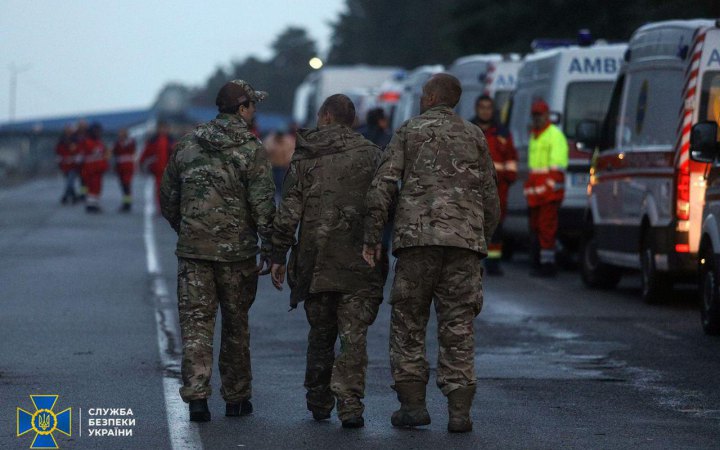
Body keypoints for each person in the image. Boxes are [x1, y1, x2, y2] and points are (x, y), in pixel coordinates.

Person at [363, 73, 500, 433]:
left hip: (417, 243)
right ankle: (459, 412)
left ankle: (412, 406)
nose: (422, 98)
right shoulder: (474, 135)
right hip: (463, 246)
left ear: (433, 96)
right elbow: (490, 197)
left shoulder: (409, 131)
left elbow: (383, 185)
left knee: (408, 322)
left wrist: (373, 235)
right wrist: (479, 238)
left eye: (425, 93)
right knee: (458, 325)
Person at [159, 79, 275, 422]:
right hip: (237, 255)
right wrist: (271, 248)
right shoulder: (251, 149)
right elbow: (264, 206)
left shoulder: (187, 144)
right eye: (252, 105)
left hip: (194, 253)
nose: (255, 111)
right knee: (236, 325)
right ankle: (237, 398)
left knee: (196, 325)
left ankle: (197, 398)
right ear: (241, 109)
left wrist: (188, 230)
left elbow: (168, 198)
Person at [269, 94, 386, 429]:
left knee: (321, 333)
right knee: (354, 336)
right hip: (360, 263)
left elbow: (289, 211)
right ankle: (350, 404)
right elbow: (386, 204)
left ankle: (319, 399)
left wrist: (277, 255)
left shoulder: (306, 157)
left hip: (315, 262)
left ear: (325, 117)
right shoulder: (373, 155)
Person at [470, 95, 518, 275]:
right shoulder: (468, 129)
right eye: (482, 107)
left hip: (498, 189)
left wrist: (509, 177)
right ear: (477, 108)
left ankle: (494, 263)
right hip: (472, 188)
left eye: (488, 107)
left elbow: (511, 159)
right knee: (473, 226)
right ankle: (473, 262)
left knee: (496, 227)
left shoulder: (503, 133)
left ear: (493, 110)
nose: (485, 111)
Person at [523, 99, 568, 277]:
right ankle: (541, 262)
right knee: (537, 228)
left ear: (547, 115)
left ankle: (548, 265)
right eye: (534, 115)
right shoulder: (535, 136)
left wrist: (546, 188)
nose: (537, 118)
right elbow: (534, 169)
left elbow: (557, 168)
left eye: (540, 115)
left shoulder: (554, 135)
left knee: (546, 228)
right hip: (537, 193)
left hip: (548, 193)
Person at [140, 121, 175, 204]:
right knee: (159, 188)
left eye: (164, 128)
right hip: (157, 169)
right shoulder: (152, 141)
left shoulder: (172, 141)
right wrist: (141, 164)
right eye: (161, 128)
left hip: (169, 169)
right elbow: (145, 154)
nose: (163, 130)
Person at [80, 123, 110, 213]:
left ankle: (94, 204)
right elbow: (83, 155)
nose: (98, 133)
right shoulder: (87, 142)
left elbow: (104, 153)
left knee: (97, 187)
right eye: (97, 131)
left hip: (98, 169)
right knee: (92, 187)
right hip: (91, 169)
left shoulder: (99, 142)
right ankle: (91, 205)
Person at [113, 128, 136, 212]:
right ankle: (126, 202)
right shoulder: (117, 142)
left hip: (127, 166)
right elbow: (114, 153)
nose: (120, 134)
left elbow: (132, 149)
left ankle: (127, 204)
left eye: (122, 133)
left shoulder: (130, 141)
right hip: (120, 166)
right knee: (123, 184)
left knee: (127, 184)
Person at [56, 125, 79, 204]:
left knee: (70, 181)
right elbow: (58, 151)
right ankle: (74, 196)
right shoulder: (61, 140)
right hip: (65, 165)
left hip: (73, 165)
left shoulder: (75, 140)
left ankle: (65, 197)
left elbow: (78, 151)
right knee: (68, 181)